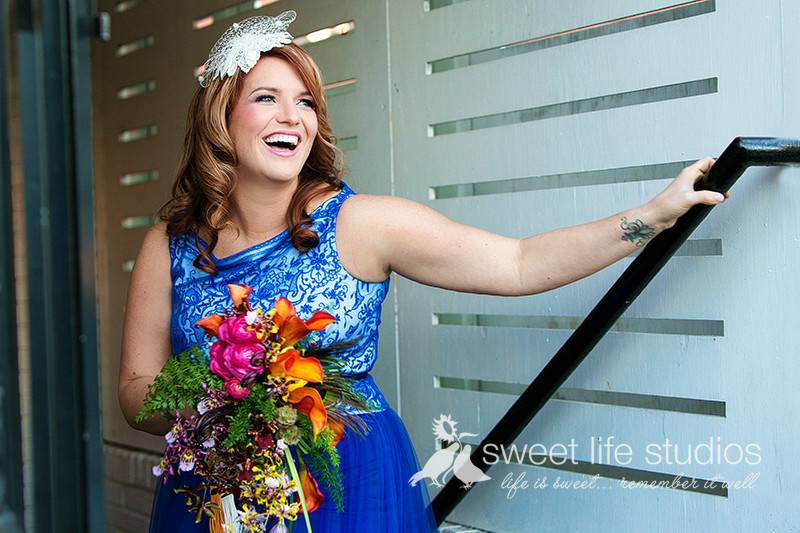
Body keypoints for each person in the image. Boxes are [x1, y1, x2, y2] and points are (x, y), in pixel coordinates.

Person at [117, 10, 730, 533]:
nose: (294, 117)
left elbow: (518, 264)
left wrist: (651, 216)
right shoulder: (168, 246)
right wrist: (220, 401)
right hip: (216, 491)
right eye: (267, 98)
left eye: (306, 102)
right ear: (222, 117)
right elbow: (134, 392)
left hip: (352, 484)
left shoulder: (363, 224)